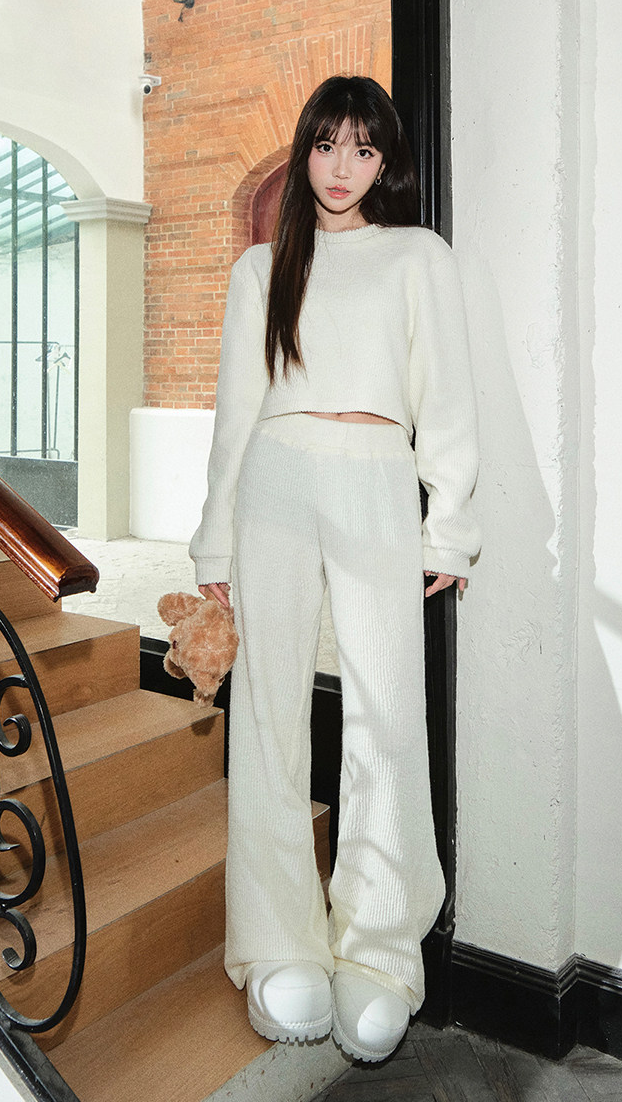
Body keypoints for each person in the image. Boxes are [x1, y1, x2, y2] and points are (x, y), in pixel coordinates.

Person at [190, 75, 480, 1063]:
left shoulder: (418, 256)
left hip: (375, 475)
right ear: (304, 152)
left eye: (363, 148)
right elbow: (236, 414)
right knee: (269, 712)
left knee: (385, 714)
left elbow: (446, 399)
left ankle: (381, 953)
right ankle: (277, 942)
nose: (342, 166)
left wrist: (449, 527)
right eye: (326, 145)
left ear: (384, 159)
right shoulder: (261, 269)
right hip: (273, 479)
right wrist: (214, 542)